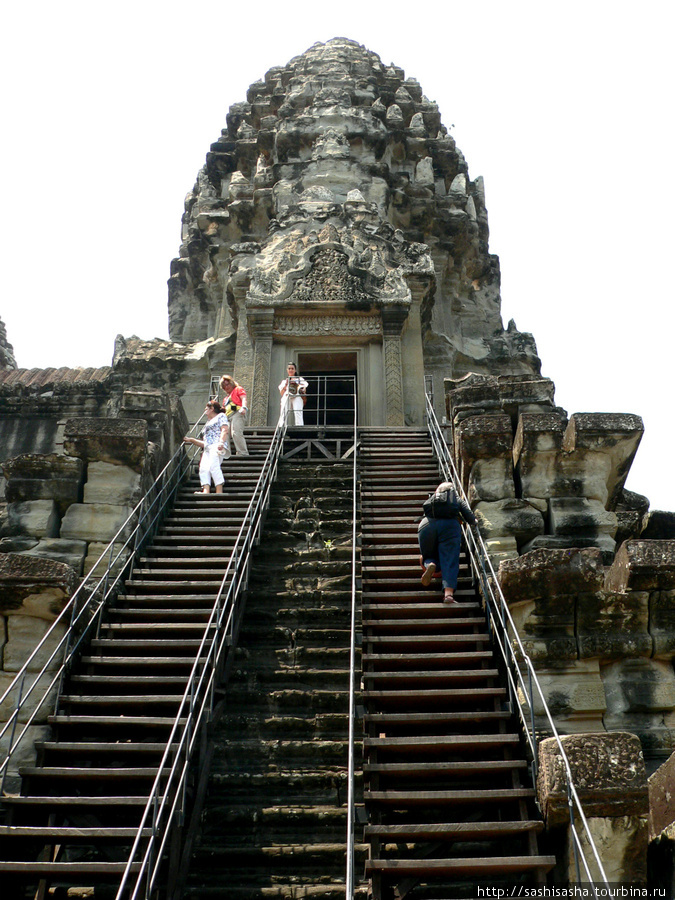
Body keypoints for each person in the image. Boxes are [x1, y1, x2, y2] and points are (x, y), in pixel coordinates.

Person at [417, 481, 478, 603]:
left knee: (428, 555)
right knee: (449, 559)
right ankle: (448, 595)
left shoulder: (433, 499)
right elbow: (469, 516)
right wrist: (475, 522)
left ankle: (430, 565)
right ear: (452, 490)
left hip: (425, 526)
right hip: (449, 527)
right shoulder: (455, 498)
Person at [183, 400, 230, 494]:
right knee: (203, 468)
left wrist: (221, 442)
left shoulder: (221, 416)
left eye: (206, 408)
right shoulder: (208, 422)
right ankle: (206, 490)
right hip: (208, 447)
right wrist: (191, 440)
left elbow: (224, 429)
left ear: (212, 408)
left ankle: (219, 491)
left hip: (217, 445)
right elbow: (205, 443)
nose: (204, 410)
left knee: (214, 466)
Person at [219, 374, 249, 456]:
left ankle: (242, 453)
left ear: (231, 383)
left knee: (235, 432)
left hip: (237, 413)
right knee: (225, 434)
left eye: (227, 384)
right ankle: (226, 453)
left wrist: (244, 407)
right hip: (227, 417)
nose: (226, 386)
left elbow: (244, 398)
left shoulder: (238, 389)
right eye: (224, 385)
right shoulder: (226, 399)